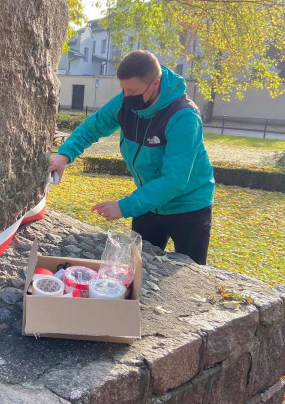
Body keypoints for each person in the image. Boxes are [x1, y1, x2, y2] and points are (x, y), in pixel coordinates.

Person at [50, 50, 215, 264]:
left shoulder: (184, 117)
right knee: (138, 267)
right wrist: (65, 155)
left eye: (132, 90)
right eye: (123, 89)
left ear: (154, 85)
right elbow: (93, 126)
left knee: (191, 274)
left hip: (189, 207)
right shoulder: (126, 101)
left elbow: (175, 180)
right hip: (148, 201)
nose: (126, 97)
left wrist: (124, 207)